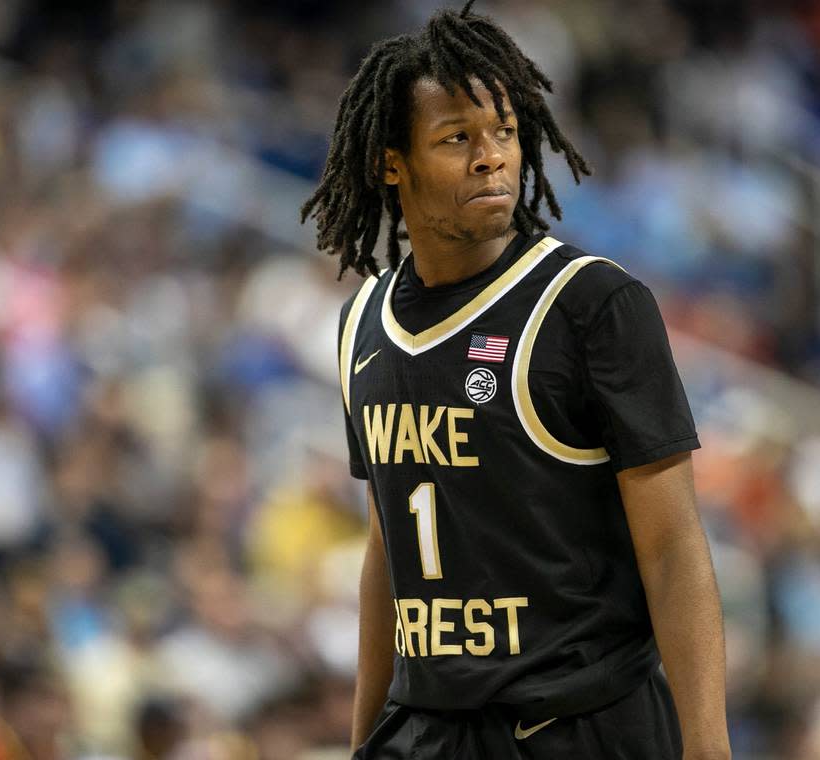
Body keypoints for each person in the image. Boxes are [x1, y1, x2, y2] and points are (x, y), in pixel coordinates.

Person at [301, 2, 730, 758]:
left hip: (578, 725)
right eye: (456, 138)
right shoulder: (362, 321)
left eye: (503, 132)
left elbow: (673, 548)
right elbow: (385, 548)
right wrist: (362, 740)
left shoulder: (592, 304)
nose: (491, 156)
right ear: (390, 162)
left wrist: (707, 747)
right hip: (429, 726)